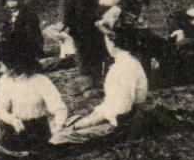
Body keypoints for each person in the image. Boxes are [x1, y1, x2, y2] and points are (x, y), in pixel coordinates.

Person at [52, 10, 151, 143]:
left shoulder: (122, 68)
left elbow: (118, 110)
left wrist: (79, 126)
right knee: (64, 123)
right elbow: (110, 106)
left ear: (112, 41)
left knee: (60, 137)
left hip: (122, 125)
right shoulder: (128, 61)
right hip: (122, 118)